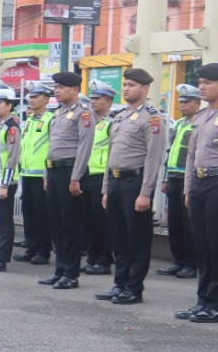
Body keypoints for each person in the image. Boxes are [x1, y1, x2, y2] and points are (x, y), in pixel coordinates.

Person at [95, 68, 166, 304]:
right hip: (115, 182)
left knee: (136, 239)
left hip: (135, 183)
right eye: (125, 84)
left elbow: (153, 158)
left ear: (145, 89)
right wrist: (106, 188)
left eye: (132, 85)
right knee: (118, 237)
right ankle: (120, 283)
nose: (126, 89)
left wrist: (145, 193)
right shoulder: (120, 116)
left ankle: (134, 288)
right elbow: (111, 155)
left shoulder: (153, 118)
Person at [42, 70, 93, 289]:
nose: (57, 91)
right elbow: (51, 147)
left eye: (61, 87)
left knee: (70, 224)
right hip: (54, 172)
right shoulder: (58, 113)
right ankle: (60, 269)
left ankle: (71, 273)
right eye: (56, 87)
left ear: (74, 89)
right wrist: (46, 174)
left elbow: (84, 147)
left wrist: (76, 178)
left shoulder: (84, 113)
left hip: (71, 171)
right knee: (55, 223)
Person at [178, 63, 218, 322]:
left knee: (215, 246)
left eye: (208, 82)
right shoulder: (201, 116)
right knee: (202, 246)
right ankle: (203, 299)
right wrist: (188, 188)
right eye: (201, 82)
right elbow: (192, 156)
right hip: (200, 185)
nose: (201, 87)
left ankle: (214, 304)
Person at [157, 84, 202, 278]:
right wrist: (166, 178)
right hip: (174, 177)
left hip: (189, 177)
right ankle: (178, 260)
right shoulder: (179, 124)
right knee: (174, 222)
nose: (182, 105)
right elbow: (170, 152)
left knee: (188, 223)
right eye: (181, 102)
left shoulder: (200, 123)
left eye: (187, 102)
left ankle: (191, 264)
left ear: (197, 103)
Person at [77, 83, 114, 275]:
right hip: (86, 175)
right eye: (91, 98)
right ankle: (92, 256)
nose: (92, 102)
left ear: (108, 101)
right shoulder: (88, 121)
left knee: (102, 222)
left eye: (97, 98)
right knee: (88, 220)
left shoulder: (112, 123)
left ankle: (104, 260)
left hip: (101, 177)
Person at [17, 83, 53, 264]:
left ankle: (42, 250)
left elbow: (52, 148)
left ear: (46, 100)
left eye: (36, 96)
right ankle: (31, 247)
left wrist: (48, 173)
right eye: (30, 96)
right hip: (27, 174)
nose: (31, 99)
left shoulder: (50, 119)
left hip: (41, 176)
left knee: (42, 215)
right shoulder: (29, 121)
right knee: (28, 214)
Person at [0, 86, 21, 271]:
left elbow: (12, 158)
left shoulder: (11, 128)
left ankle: (1, 259)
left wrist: (5, 184)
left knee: (4, 221)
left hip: (6, 181)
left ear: (9, 106)